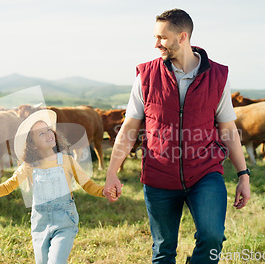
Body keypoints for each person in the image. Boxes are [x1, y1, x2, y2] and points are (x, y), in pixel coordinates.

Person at [104, 9, 251, 264]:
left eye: (162, 37)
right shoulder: (145, 76)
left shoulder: (217, 76)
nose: (156, 44)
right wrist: (112, 172)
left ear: (182, 37)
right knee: (163, 250)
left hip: (205, 172)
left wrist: (243, 175)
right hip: (159, 176)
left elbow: (228, 130)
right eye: (155, 37)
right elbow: (129, 129)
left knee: (213, 237)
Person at [0, 109, 114, 264]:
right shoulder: (29, 166)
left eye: (48, 130)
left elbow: (88, 185)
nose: (48, 134)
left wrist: (103, 191)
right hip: (40, 224)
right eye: (41, 133)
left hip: (64, 222)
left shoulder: (67, 161)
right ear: (31, 144)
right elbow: (7, 187)